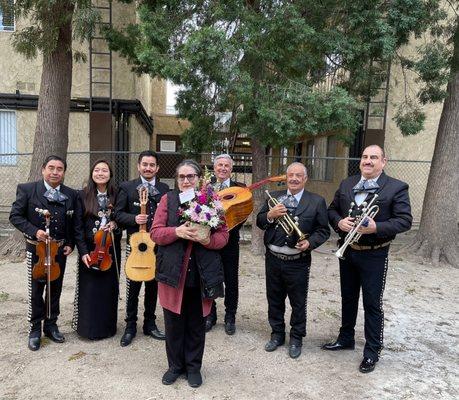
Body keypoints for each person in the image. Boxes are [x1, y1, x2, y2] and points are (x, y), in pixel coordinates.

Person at [322, 145, 412, 373]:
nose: (368, 161)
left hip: (375, 254)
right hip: (348, 249)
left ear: (384, 161)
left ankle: (372, 351)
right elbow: (332, 210)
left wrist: (377, 227)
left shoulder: (396, 187)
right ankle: (346, 338)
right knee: (348, 298)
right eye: (364, 157)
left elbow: (404, 220)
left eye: (374, 157)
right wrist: (339, 222)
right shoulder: (347, 183)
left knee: (372, 303)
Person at [151, 159, 229, 388]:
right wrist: (177, 231)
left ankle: (194, 367)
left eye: (190, 177)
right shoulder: (168, 199)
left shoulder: (212, 201)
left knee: (196, 324)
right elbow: (155, 233)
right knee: (173, 324)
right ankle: (175, 366)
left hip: (201, 272)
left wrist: (208, 239)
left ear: (198, 179)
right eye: (181, 177)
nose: (186, 181)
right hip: (174, 273)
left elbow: (224, 237)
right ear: (176, 180)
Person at [256, 162, 330, 359]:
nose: (294, 179)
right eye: (291, 175)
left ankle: (296, 338)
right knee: (274, 299)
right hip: (273, 258)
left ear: (305, 179)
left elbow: (323, 230)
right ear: (286, 178)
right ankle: (277, 334)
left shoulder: (316, 201)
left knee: (298, 302)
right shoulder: (275, 197)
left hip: (298, 261)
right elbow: (260, 221)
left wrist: (310, 243)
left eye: (299, 175)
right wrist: (270, 215)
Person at [9, 155, 77, 351]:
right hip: (37, 250)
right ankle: (35, 328)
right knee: (36, 289)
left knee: (55, 288)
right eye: (51, 168)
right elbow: (15, 216)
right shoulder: (28, 189)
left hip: (59, 250)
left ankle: (51, 325)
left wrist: (70, 244)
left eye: (59, 169)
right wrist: (34, 231)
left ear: (64, 172)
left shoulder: (70, 194)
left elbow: (73, 222)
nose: (55, 172)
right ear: (43, 169)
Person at [114, 150, 169, 346]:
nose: (148, 168)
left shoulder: (164, 189)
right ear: (138, 166)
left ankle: (150, 324)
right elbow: (117, 215)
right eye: (144, 164)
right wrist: (133, 218)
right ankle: (130, 326)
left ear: (157, 168)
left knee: (153, 287)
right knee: (133, 287)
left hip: (158, 247)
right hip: (135, 246)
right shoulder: (127, 187)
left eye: (152, 165)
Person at [72, 159, 122, 340]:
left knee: (109, 289)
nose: (101, 173)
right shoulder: (82, 195)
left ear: (110, 174)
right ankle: (88, 330)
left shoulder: (117, 194)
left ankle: (107, 328)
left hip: (110, 249)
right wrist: (83, 252)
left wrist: (115, 225)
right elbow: (77, 227)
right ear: (92, 173)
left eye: (105, 170)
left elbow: (122, 220)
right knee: (90, 290)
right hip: (90, 250)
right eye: (97, 170)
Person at [206, 154, 246, 335]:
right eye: (219, 165)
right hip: (209, 241)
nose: (223, 168)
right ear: (214, 168)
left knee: (231, 279)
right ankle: (211, 314)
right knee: (209, 277)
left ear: (231, 168)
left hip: (230, 241)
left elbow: (243, 213)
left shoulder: (241, 188)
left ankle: (230, 316)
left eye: (226, 166)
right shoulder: (206, 187)